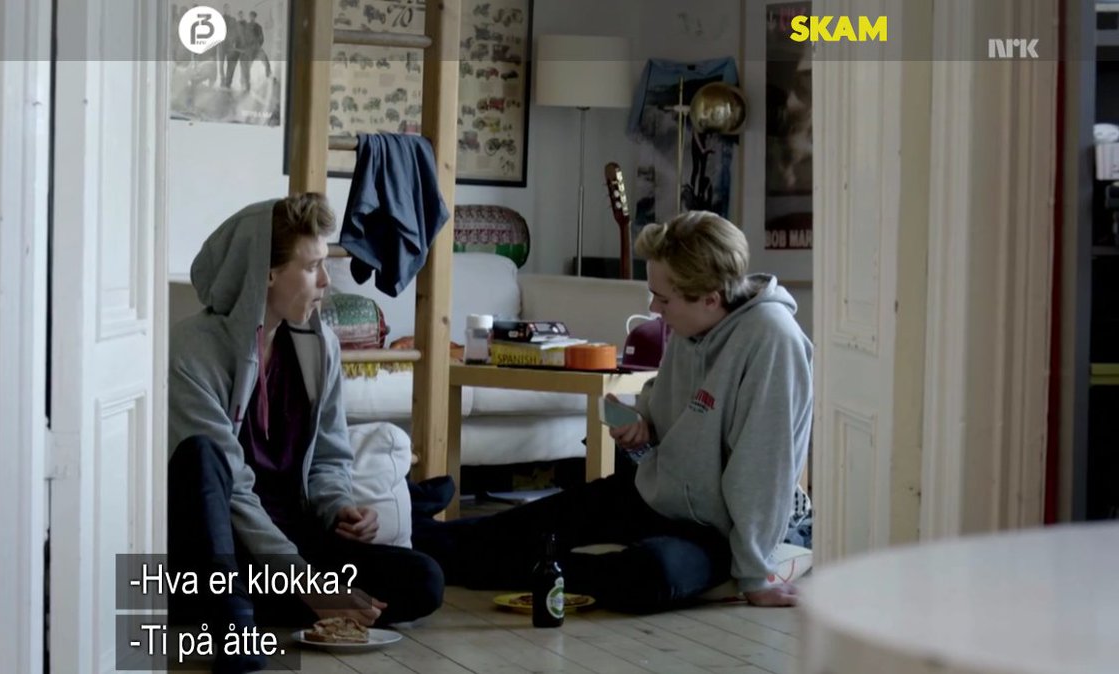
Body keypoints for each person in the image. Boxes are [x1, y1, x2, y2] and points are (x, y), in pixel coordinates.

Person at [415, 210, 812, 612]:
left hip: (717, 531)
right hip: (654, 495)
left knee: (647, 576)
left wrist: (755, 577)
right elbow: (661, 410)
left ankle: (530, 567)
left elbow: (763, 471)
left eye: (663, 299)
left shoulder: (773, 340)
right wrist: (639, 425)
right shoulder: (693, 325)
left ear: (710, 298)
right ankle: (410, 533)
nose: (654, 308)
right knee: (517, 528)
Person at [168, 194, 444, 672]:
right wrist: (305, 583)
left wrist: (338, 505)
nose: (325, 281)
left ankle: (251, 608)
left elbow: (330, 457)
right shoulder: (191, 350)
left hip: (291, 542)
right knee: (200, 455)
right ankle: (232, 620)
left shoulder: (320, 346)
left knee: (423, 579)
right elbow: (233, 492)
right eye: (313, 266)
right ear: (267, 274)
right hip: (224, 548)